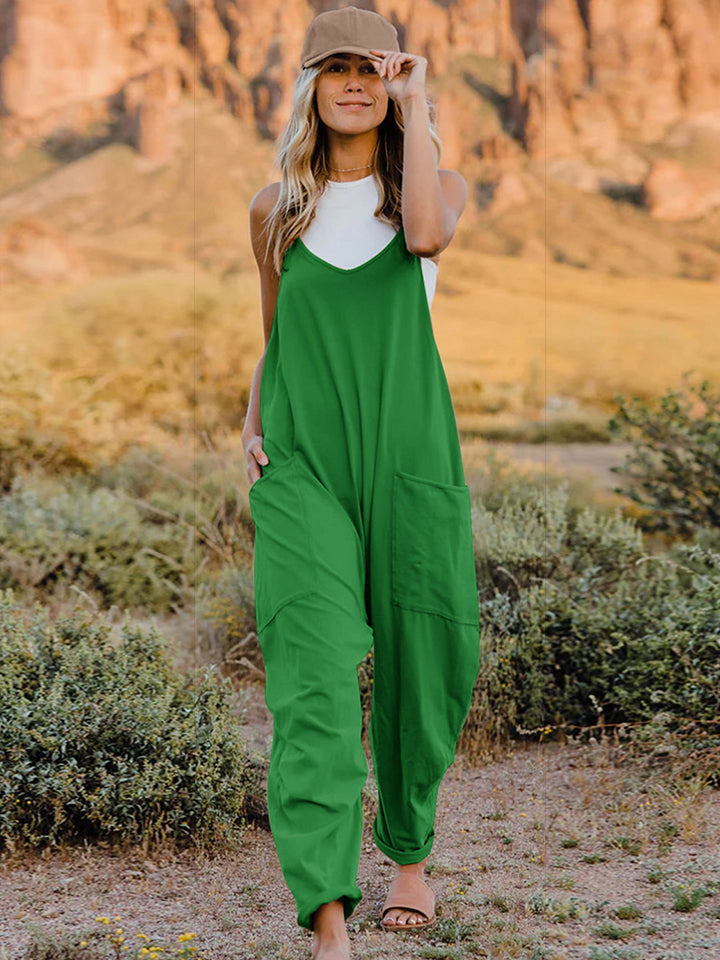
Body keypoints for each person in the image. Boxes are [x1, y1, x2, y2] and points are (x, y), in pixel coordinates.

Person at [242, 7, 480, 959]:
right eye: (333, 68)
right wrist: (250, 424)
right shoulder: (275, 208)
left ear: (394, 81)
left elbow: (424, 238)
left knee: (426, 659)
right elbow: (274, 336)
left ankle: (410, 856)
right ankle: (328, 916)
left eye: (370, 69)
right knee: (312, 676)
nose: (353, 84)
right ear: (309, 85)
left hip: (409, 451)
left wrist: (417, 105)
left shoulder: (435, 185)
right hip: (302, 462)